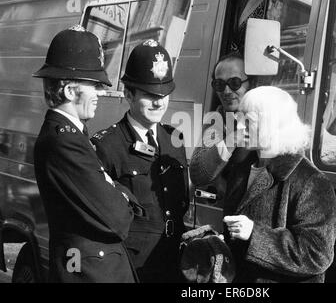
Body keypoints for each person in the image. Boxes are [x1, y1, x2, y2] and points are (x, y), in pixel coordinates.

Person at [33, 25, 143, 283]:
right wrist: (121, 195)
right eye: (93, 85)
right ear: (70, 91)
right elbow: (118, 218)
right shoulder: (64, 141)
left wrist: (117, 193)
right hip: (88, 273)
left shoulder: (72, 136)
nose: (101, 93)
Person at [91, 40, 189, 283]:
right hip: (130, 270)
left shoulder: (174, 138)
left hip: (172, 267)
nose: (159, 102)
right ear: (128, 94)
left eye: (164, 94)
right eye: (150, 95)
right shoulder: (107, 144)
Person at [222, 86, 336, 283]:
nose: (239, 126)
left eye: (248, 120)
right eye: (239, 118)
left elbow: (317, 255)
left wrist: (254, 234)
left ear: (272, 125)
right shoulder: (241, 168)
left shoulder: (312, 181)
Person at [189, 52, 251, 196]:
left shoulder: (268, 117)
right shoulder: (217, 119)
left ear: (252, 83)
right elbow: (199, 173)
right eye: (219, 84)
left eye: (235, 83)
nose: (226, 91)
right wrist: (235, 136)